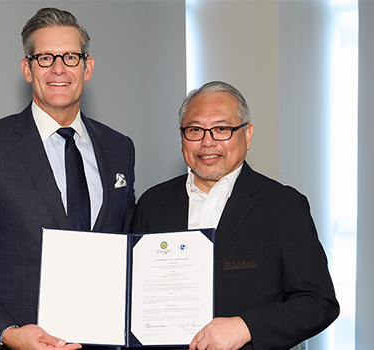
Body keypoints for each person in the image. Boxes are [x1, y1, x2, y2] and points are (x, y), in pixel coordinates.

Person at [0, 7, 136, 350]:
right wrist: (7, 333)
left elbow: (126, 243)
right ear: (28, 69)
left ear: (87, 67)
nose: (59, 69)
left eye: (70, 57)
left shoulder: (119, 147)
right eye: (45, 58)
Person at [130, 81, 339, 350]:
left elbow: (318, 302)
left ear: (247, 135)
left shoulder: (283, 207)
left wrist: (246, 326)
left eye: (221, 129)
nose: (207, 142)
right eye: (195, 130)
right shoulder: (152, 204)